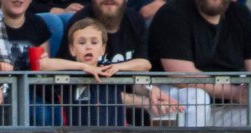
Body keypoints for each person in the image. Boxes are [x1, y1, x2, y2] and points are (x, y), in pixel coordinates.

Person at [147, 0, 251, 127]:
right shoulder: (172, 12)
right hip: (176, 103)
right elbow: (181, 76)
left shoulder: (241, 13)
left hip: (227, 107)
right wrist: (235, 93)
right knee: (196, 97)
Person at [50, 0, 181, 123]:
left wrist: (150, 91)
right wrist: (144, 101)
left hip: (123, 114)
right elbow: (92, 92)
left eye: (94, 42)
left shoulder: (135, 21)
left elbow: (142, 68)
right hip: (85, 117)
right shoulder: (81, 24)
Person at [42, 18, 127, 124]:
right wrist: (83, 67)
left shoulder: (108, 68)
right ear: (72, 50)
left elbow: (145, 64)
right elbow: (43, 64)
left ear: (103, 49)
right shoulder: (70, 71)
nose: (88, 47)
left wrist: (119, 67)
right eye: (82, 42)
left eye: (94, 42)